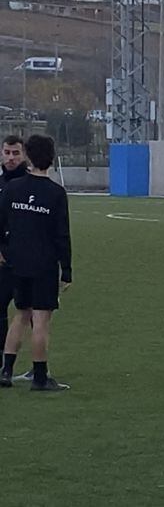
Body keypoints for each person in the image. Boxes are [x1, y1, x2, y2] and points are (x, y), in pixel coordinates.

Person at [0, 135, 72, 391]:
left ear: (28, 156)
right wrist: (67, 270)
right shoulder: (55, 193)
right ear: (51, 158)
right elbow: (62, 235)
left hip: (17, 263)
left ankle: (6, 370)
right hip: (44, 265)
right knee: (40, 320)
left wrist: (3, 250)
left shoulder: (12, 188)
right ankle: (40, 377)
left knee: (20, 315)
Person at [0, 135, 28, 380]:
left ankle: (39, 364)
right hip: (2, 259)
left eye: (15, 153)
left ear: (24, 155)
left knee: (32, 314)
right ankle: (4, 365)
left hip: (25, 260)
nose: (10, 158)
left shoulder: (31, 185)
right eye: (7, 153)